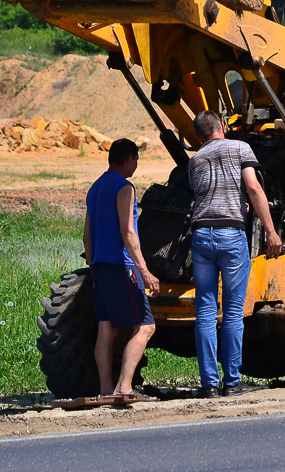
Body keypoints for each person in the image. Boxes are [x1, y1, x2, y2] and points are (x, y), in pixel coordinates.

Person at [188, 111, 283, 398]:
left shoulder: (195, 160)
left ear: (199, 136)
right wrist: (271, 231)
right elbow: (253, 187)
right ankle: (231, 381)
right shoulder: (240, 148)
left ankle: (209, 384)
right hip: (231, 235)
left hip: (202, 235)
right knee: (231, 312)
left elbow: (202, 194)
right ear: (223, 127)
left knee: (205, 311)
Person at [83, 138, 159, 402]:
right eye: (135, 160)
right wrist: (145, 271)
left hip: (101, 265)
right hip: (122, 266)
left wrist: (94, 268)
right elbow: (128, 231)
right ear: (128, 159)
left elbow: (87, 236)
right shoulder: (124, 187)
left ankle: (105, 388)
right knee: (146, 327)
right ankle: (124, 387)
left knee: (107, 329)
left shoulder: (95, 188)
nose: (135, 166)